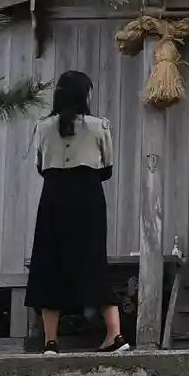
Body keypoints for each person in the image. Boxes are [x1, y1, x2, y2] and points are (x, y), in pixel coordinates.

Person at [26, 70, 130, 355]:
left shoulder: (43, 127)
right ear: (85, 95)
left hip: (54, 195)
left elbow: (40, 166)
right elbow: (107, 168)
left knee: (49, 262)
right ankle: (115, 334)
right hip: (88, 195)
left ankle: (50, 340)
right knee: (93, 260)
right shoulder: (99, 126)